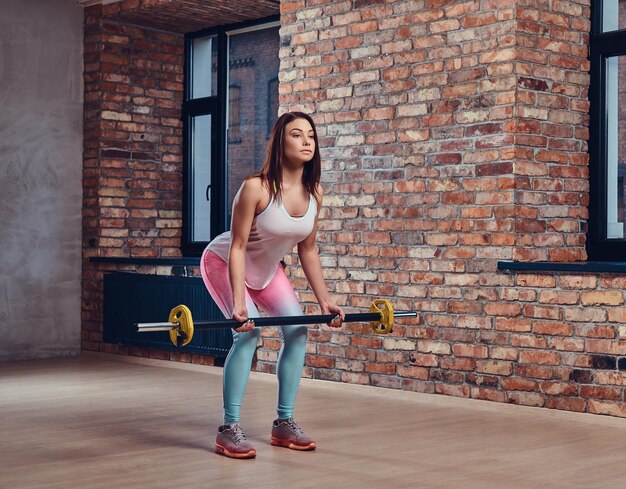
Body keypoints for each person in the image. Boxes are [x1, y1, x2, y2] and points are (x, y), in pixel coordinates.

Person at [200, 111, 345, 459]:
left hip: (266, 272)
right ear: (280, 142)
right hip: (224, 262)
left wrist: (325, 301)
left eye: (311, 135)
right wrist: (238, 303)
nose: (307, 141)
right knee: (247, 333)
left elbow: (307, 250)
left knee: (297, 331)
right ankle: (229, 428)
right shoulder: (256, 188)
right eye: (297, 135)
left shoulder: (315, 194)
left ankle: (284, 423)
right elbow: (236, 247)